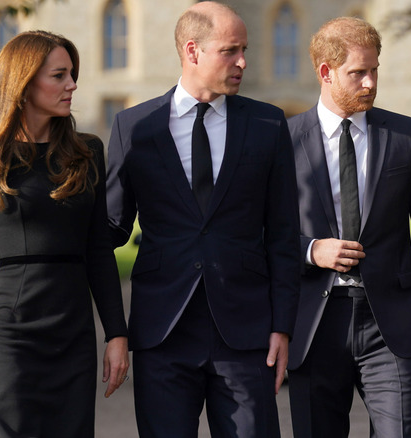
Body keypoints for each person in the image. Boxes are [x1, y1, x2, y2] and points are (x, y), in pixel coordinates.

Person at [105, 2, 300, 437]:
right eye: (230, 50)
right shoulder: (134, 127)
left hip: (246, 335)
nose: (243, 61)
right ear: (192, 51)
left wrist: (283, 326)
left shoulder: (268, 124)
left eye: (244, 49)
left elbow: (284, 236)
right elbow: (111, 228)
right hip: (162, 332)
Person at [286, 17, 411, 437]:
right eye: (357, 73)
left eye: (374, 71)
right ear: (325, 72)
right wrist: (312, 249)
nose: (370, 83)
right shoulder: (284, 139)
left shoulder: (405, 135)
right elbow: (259, 230)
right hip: (314, 322)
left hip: (389, 325)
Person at [0, 30, 129, 437]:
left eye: (72, 74)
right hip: (12, 336)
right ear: (24, 85)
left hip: (74, 334)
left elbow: (99, 251)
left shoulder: (88, 152)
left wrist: (116, 335)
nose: (72, 85)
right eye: (59, 75)